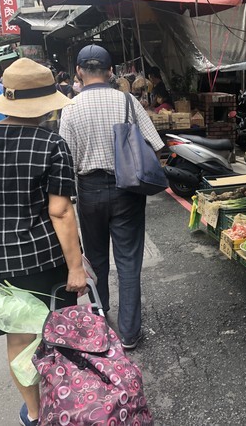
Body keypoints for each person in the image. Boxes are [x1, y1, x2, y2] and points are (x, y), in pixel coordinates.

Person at [0, 57, 86, 426]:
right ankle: (64, 402)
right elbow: (60, 212)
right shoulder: (52, 144)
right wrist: (76, 267)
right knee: (56, 332)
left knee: (18, 337)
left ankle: (37, 413)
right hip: (43, 259)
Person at [59, 44, 165, 350]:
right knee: (129, 262)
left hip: (88, 191)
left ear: (79, 72)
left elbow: (67, 161)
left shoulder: (70, 109)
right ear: (110, 72)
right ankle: (130, 334)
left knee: (97, 262)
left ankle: (100, 330)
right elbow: (155, 145)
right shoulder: (128, 101)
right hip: (128, 189)